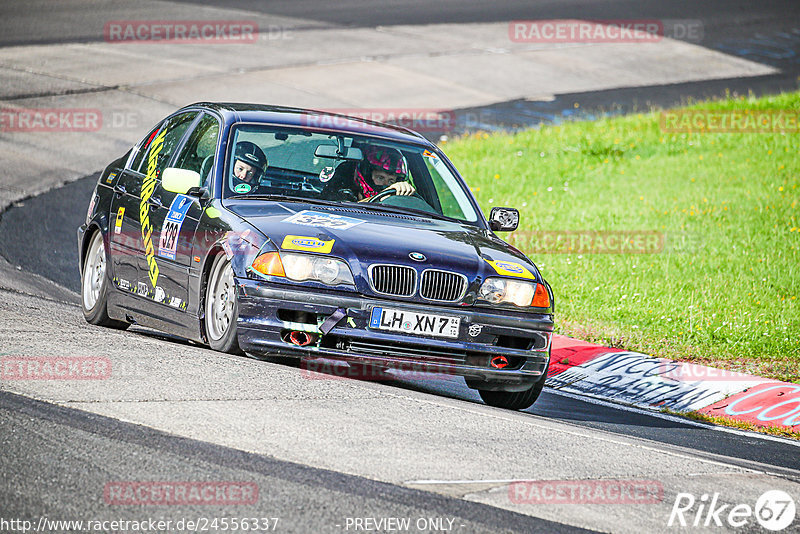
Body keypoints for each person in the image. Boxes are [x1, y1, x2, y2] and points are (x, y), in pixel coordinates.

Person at [322, 145, 414, 201]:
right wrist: (380, 197)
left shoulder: (396, 199)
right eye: (380, 178)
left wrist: (406, 193)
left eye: (391, 181)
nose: (386, 185)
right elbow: (342, 211)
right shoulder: (345, 193)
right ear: (367, 176)